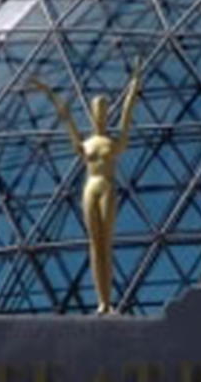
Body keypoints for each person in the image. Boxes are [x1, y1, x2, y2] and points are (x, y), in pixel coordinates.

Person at [29, 61, 140, 313]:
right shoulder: (85, 143)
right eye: (96, 108)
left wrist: (133, 87)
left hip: (108, 187)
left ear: (107, 112)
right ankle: (102, 303)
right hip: (90, 188)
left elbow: (128, 113)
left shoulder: (116, 141)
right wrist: (47, 90)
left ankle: (107, 302)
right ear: (91, 114)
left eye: (104, 108)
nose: (100, 112)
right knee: (95, 242)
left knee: (106, 242)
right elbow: (65, 116)